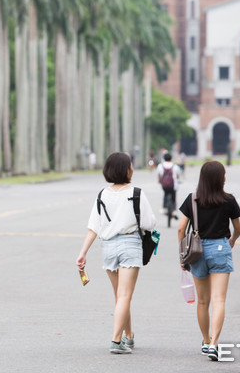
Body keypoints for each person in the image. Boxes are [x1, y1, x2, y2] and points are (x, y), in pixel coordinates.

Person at [76, 152, 156, 355]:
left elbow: (94, 226)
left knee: (120, 296)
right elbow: (149, 223)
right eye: (130, 165)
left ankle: (129, 335)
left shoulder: (103, 194)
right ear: (126, 169)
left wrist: (83, 252)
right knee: (124, 295)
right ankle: (116, 340)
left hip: (108, 246)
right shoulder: (136, 193)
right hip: (130, 244)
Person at [178, 161, 240, 362]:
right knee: (219, 300)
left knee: (203, 301)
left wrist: (182, 254)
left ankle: (205, 341)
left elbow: (181, 229)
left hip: (197, 251)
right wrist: (232, 240)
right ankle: (215, 343)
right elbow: (238, 228)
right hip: (221, 248)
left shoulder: (193, 199)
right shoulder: (229, 200)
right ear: (221, 178)